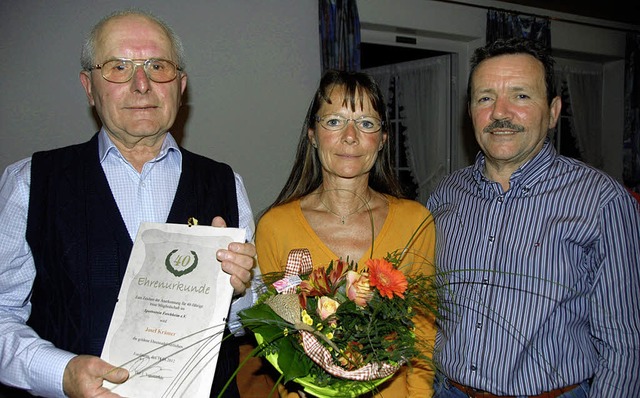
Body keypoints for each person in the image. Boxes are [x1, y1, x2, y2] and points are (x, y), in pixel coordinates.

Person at [0, 9, 257, 398]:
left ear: (181, 85)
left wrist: (239, 291)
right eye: (119, 67)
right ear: (89, 86)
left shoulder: (224, 183)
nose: (142, 84)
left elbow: (247, 321)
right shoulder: (30, 183)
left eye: (158, 66)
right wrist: (61, 373)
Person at [427, 37, 640, 397]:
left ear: (554, 111)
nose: (499, 112)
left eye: (521, 95)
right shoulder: (444, 197)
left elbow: (625, 344)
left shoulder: (602, 202)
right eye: (485, 98)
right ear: (471, 112)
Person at [252, 69, 437, 397]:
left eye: (366, 123)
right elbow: (277, 340)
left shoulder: (415, 222)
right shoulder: (274, 227)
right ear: (312, 134)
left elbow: (422, 336)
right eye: (334, 121)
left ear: (382, 140)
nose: (350, 136)